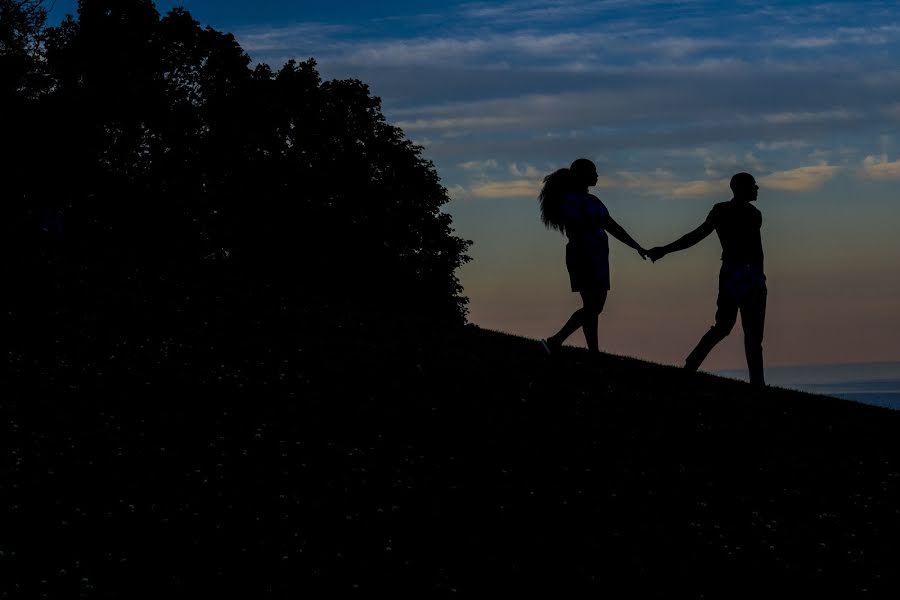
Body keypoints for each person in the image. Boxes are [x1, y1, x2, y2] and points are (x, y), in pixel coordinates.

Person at [647, 172, 767, 385]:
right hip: (739, 275)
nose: (757, 189)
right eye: (753, 185)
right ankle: (694, 364)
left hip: (747, 276)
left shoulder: (750, 213)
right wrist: (666, 250)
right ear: (741, 188)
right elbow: (697, 235)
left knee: (743, 332)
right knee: (733, 329)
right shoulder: (731, 211)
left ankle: (755, 382)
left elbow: (756, 250)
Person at [539, 158, 647, 355]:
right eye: (593, 171)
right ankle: (556, 340)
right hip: (583, 255)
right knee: (594, 306)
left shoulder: (593, 201)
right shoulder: (571, 200)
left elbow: (613, 226)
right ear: (582, 175)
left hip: (597, 257)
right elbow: (574, 224)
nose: (597, 175)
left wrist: (636, 246)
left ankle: (593, 351)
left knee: (593, 306)